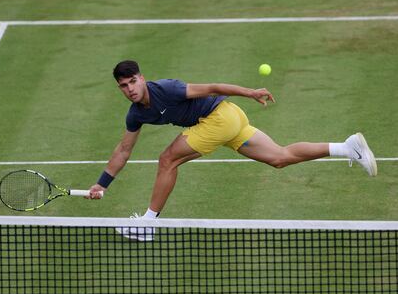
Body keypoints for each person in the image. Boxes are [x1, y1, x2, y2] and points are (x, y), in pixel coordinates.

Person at [88, 60, 377, 241]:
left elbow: (212, 86)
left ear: (142, 77)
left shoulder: (167, 89)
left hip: (220, 118)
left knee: (167, 160)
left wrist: (250, 91)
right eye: (123, 86)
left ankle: (148, 224)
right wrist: (102, 184)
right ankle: (347, 147)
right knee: (280, 157)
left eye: (132, 82)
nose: (129, 89)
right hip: (230, 119)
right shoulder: (135, 114)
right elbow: (123, 150)